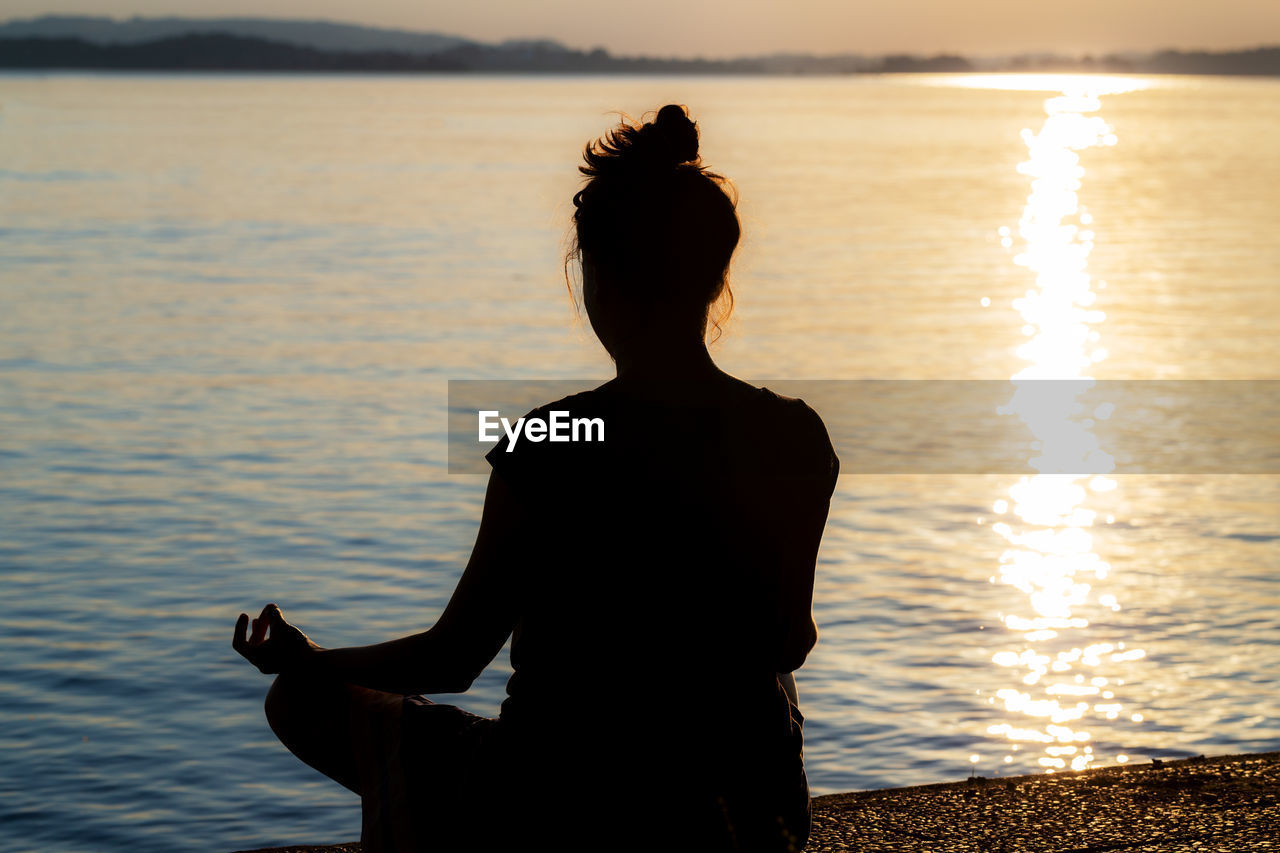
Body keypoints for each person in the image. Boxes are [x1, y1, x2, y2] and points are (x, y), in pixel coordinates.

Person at [233, 103, 839, 853]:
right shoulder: (793, 435)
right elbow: (789, 638)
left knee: (298, 699)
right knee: (756, 676)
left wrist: (313, 661)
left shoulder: (553, 439)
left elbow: (453, 657)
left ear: (598, 278)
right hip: (746, 815)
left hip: (556, 807)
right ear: (715, 279)